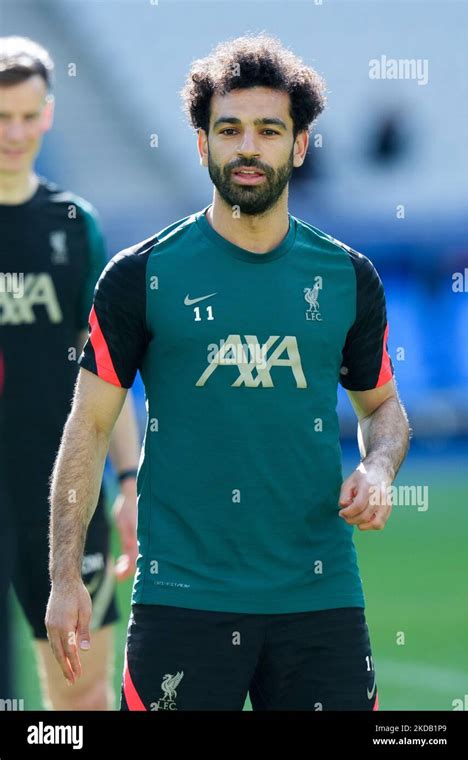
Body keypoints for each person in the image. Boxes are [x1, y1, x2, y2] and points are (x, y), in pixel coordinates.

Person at [45, 33, 410, 711]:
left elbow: (383, 411)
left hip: (319, 597)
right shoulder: (139, 276)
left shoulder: (348, 278)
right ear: (202, 143)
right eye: (229, 129)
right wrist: (65, 576)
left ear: (299, 146)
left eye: (269, 130)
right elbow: (88, 427)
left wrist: (380, 468)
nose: (248, 147)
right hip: (181, 600)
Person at [0, 36, 140, 710]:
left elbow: (105, 370)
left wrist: (132, 481)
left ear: (49, 114)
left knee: (82, 708)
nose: (16, 133)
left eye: (29, 116)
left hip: (63, 501)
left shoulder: (73, 223)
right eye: (1, 118)